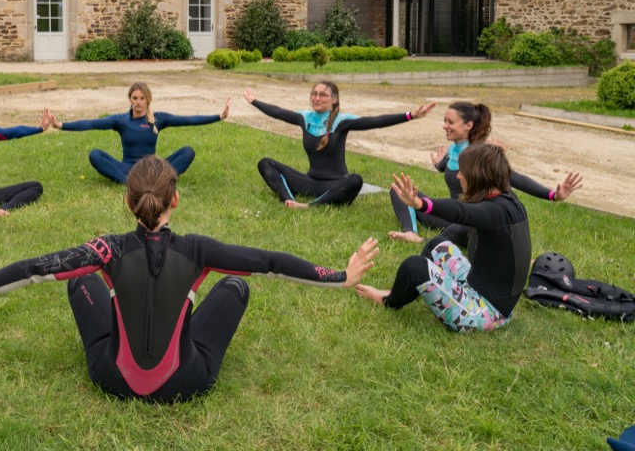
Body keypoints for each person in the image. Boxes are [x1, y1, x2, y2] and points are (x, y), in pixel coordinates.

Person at [0, 155, 379, 402]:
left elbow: (33, 269)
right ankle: (184, 307)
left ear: (128, 202)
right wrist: (338, 276)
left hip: (112, 379)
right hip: (185, 382)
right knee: (237, 285)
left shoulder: (106, 249)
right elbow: (271, 261)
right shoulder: (197, 250)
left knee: (78, 279)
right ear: (174, 200)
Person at [356, 143, 531, 332]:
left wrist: (420, 204)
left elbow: (460, 212)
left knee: (414, 266)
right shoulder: (509, 203)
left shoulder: (496, 212)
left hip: (485, 313)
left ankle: (389, 300)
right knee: (437, 245)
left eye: (463, 171)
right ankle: (416, 291)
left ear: (478, 176)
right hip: (478, 289)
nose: (458, 176)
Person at [388, 101, 583, 243]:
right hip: (451, 215)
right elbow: (445, 168)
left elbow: (513, 178)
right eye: (444, 121)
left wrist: (553, 195)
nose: (444, 126)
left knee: (461, 226)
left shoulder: (480, 154)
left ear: (468, 125)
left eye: (450, 122)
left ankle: (428, 241)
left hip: (472, 221)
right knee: (400, 191)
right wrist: (439, 164)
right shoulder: (452, 150)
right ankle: (411, 232)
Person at [243, 82, 436, 207]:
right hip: (310, 182)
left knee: (355, 180)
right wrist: (255, 102)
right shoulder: (305, 118)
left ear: (334, 100)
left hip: (336, 185)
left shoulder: (342, 121)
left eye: (323, 95)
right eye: (314, 94)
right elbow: (278, 112)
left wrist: (410, 115)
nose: (317, 98)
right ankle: (289, 200)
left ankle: (310, 206)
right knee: (265, 163)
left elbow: (375, 120)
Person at [49, 82, 230, 184]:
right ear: (130, 99)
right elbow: (91, 123)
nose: (138, 102)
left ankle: (161, 180)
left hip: (152, 168)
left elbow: (189, 120)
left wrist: (219, 116)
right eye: (135, 98)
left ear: (147, 100)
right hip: (128, 169)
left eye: (142, 98)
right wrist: (60, 125)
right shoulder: (121, 120)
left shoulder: (158, 119)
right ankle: (128, 183)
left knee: (188, 151)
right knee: (95, 154)